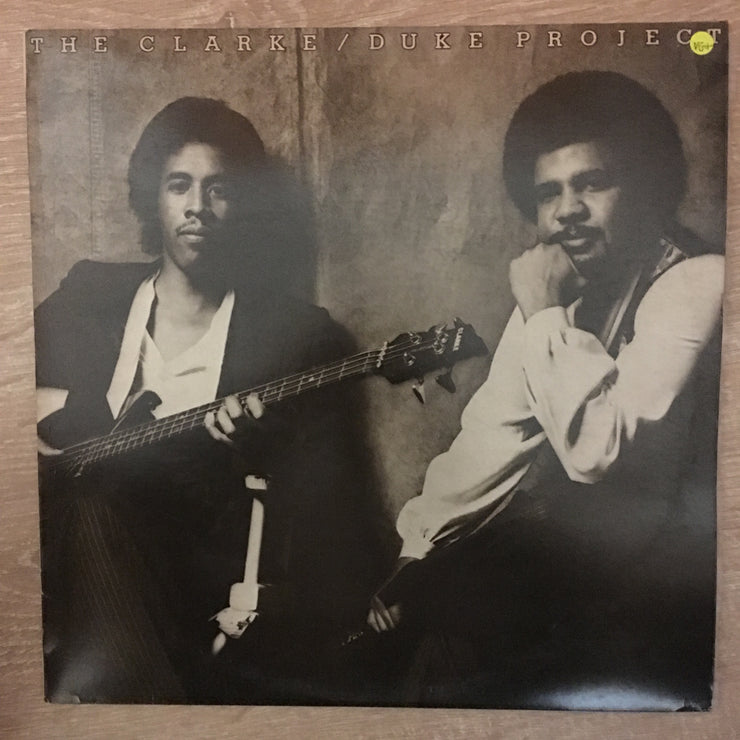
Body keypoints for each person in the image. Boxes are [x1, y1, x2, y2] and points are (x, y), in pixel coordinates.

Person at [367, 71, 724, 709]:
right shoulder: (559, 299)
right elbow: (491, 438)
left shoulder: (700, 280)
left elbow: (595, 453)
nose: (567, 212)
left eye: (593, 183)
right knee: (423, 616)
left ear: (646, 183)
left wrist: (541, 310)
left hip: (688, 584)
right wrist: (416, 551)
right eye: (548, 193)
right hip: (598, 573)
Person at [35, 97, 381, 704]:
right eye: (179, 185)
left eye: (219, 189)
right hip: (67, 556)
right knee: (90, 506)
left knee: (96, 509)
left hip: (199, 580)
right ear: (154, 196)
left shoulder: (297, 336)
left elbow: (335, 520)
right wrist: (46, 415)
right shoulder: (91, 293)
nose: (197, 206)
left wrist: (262, 453)